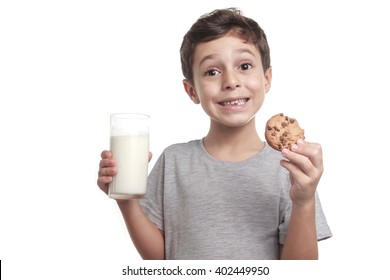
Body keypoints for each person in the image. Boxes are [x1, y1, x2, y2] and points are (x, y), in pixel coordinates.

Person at [97, 8, 332, 260]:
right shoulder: (174, 161)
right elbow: (160, 259)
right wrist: (125, 199)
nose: (231, 81)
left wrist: (304, 201)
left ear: (266, 79)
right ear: (192, 91)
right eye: (212, 71)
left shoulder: (291, 168)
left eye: (244, 66)